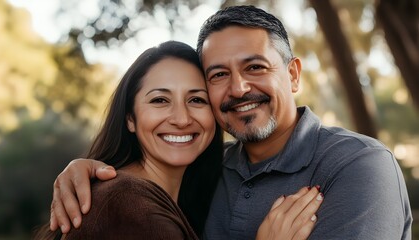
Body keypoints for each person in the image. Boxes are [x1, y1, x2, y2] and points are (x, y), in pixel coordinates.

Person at [49, 5, 412, 240]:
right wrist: (92, 171)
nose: (239, 88)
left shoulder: (357, 165)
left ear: (293, 75)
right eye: (219, 74)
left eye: (255, 67)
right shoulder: (209, 168)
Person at [34, 40, 323, 240]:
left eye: (196, 99)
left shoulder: (190, 194)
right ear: (130, 119)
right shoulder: (126, 203)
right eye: (160, 100)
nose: (182, 119)